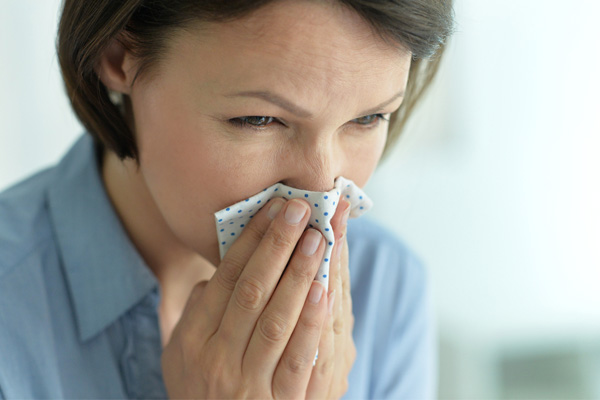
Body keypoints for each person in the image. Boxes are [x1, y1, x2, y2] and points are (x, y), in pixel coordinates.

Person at [0, 0, 454, 398]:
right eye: (259, 119)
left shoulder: (387, 287)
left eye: (370, 118)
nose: (322, 191)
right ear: (119, 56)